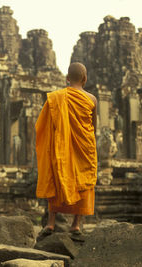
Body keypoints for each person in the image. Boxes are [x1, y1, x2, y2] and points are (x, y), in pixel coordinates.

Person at [35, 62, 97, 235]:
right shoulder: (92, 99)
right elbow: (94, 126)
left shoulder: (56, 97)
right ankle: (76, 224)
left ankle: (51, 222)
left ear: (67, 78)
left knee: (57, 175)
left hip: (61, 145)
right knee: (84, 180)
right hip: (85, 145)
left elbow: (46, 125)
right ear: (85, 79)